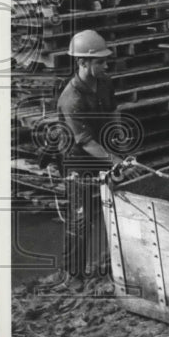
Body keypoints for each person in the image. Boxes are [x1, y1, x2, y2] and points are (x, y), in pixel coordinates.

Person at [55, 29, 121, 284]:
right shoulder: (71, 99)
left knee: (115, 205)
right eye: (100, 61)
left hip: (100, 149)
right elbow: (84, 141)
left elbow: (114, 110)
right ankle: (74, 274)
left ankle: (117, 260)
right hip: (78, 160)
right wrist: (114, 160)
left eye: (105, 61)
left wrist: (117, 141)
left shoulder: (105, 82)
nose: (106, 65)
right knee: (81, 217)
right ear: (82, 63)